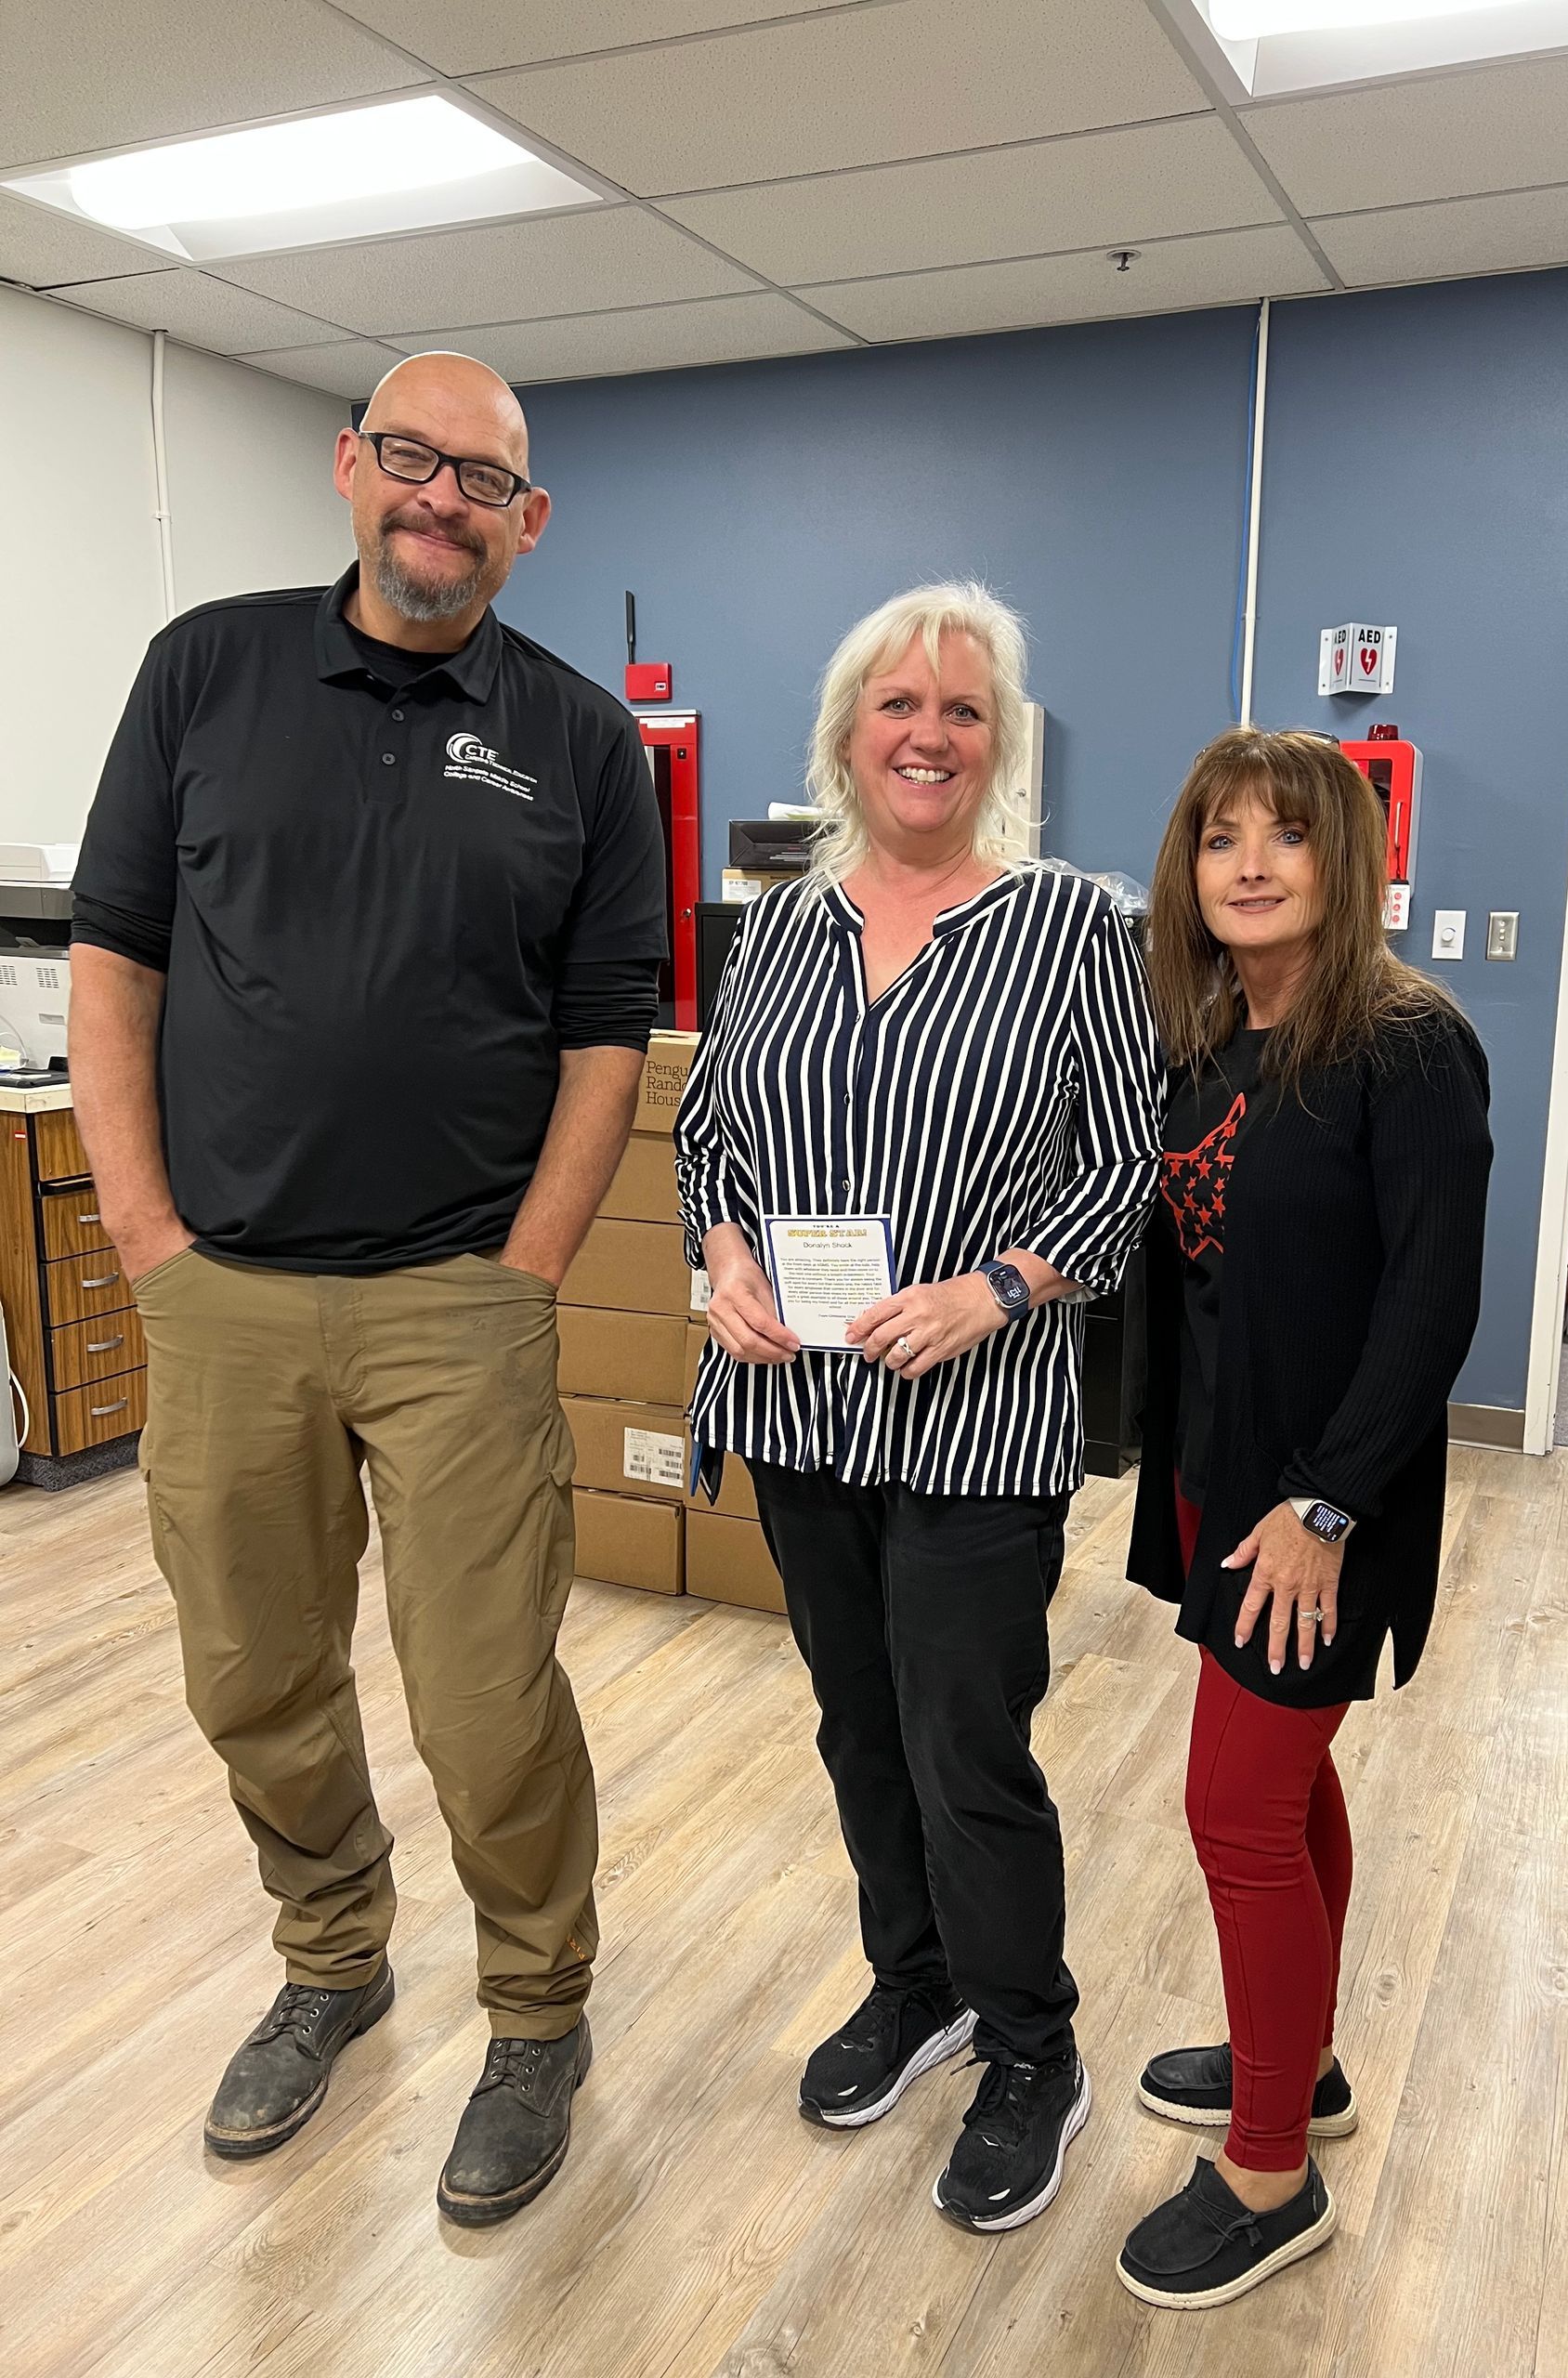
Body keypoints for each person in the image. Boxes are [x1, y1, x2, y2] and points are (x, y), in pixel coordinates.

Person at [69, 353, 666, 2227]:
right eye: (411, 458)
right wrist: (149, 1239)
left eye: (481, 476)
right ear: (351, 469)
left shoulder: (578, 742)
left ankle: (538, 2006)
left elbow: (603, 1039)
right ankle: (331, 1958)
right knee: (253, 1671)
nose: (441, 497)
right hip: (225, 1289)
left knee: (487, 1698)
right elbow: (115, 963)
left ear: (527, 518)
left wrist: (529, 1274)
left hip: (453, 1304)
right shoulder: (206, 672)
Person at [675, 584, 1162, 2232]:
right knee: (856, 1725)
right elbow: (708, 1147)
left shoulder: (1071, 929)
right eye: (900, 705)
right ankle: (921, 1983)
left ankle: (1033, 2043)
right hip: (802, 1410)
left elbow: (1126, 1177)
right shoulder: (779, 935)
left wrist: (999, 1289)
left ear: (998, 743)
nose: (929, 735)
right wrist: (724, 1255)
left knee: (967, 1745)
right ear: (847, 734)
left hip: (979, 1424)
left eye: (963, 710)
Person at [1118, 726, 1491, 2308]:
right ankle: (1306, 2061)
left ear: (1347, 861)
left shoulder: (1405, 1043)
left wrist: (1325, 1507)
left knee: (1239, 1813)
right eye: (1220, 838)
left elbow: (1431, 1302)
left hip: (1319, 1509)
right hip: (1222, 1484)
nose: (1251, 862)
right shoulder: (1215, 1043)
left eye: (1288, 835)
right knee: (1287, 1786)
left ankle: (1271, 2172)